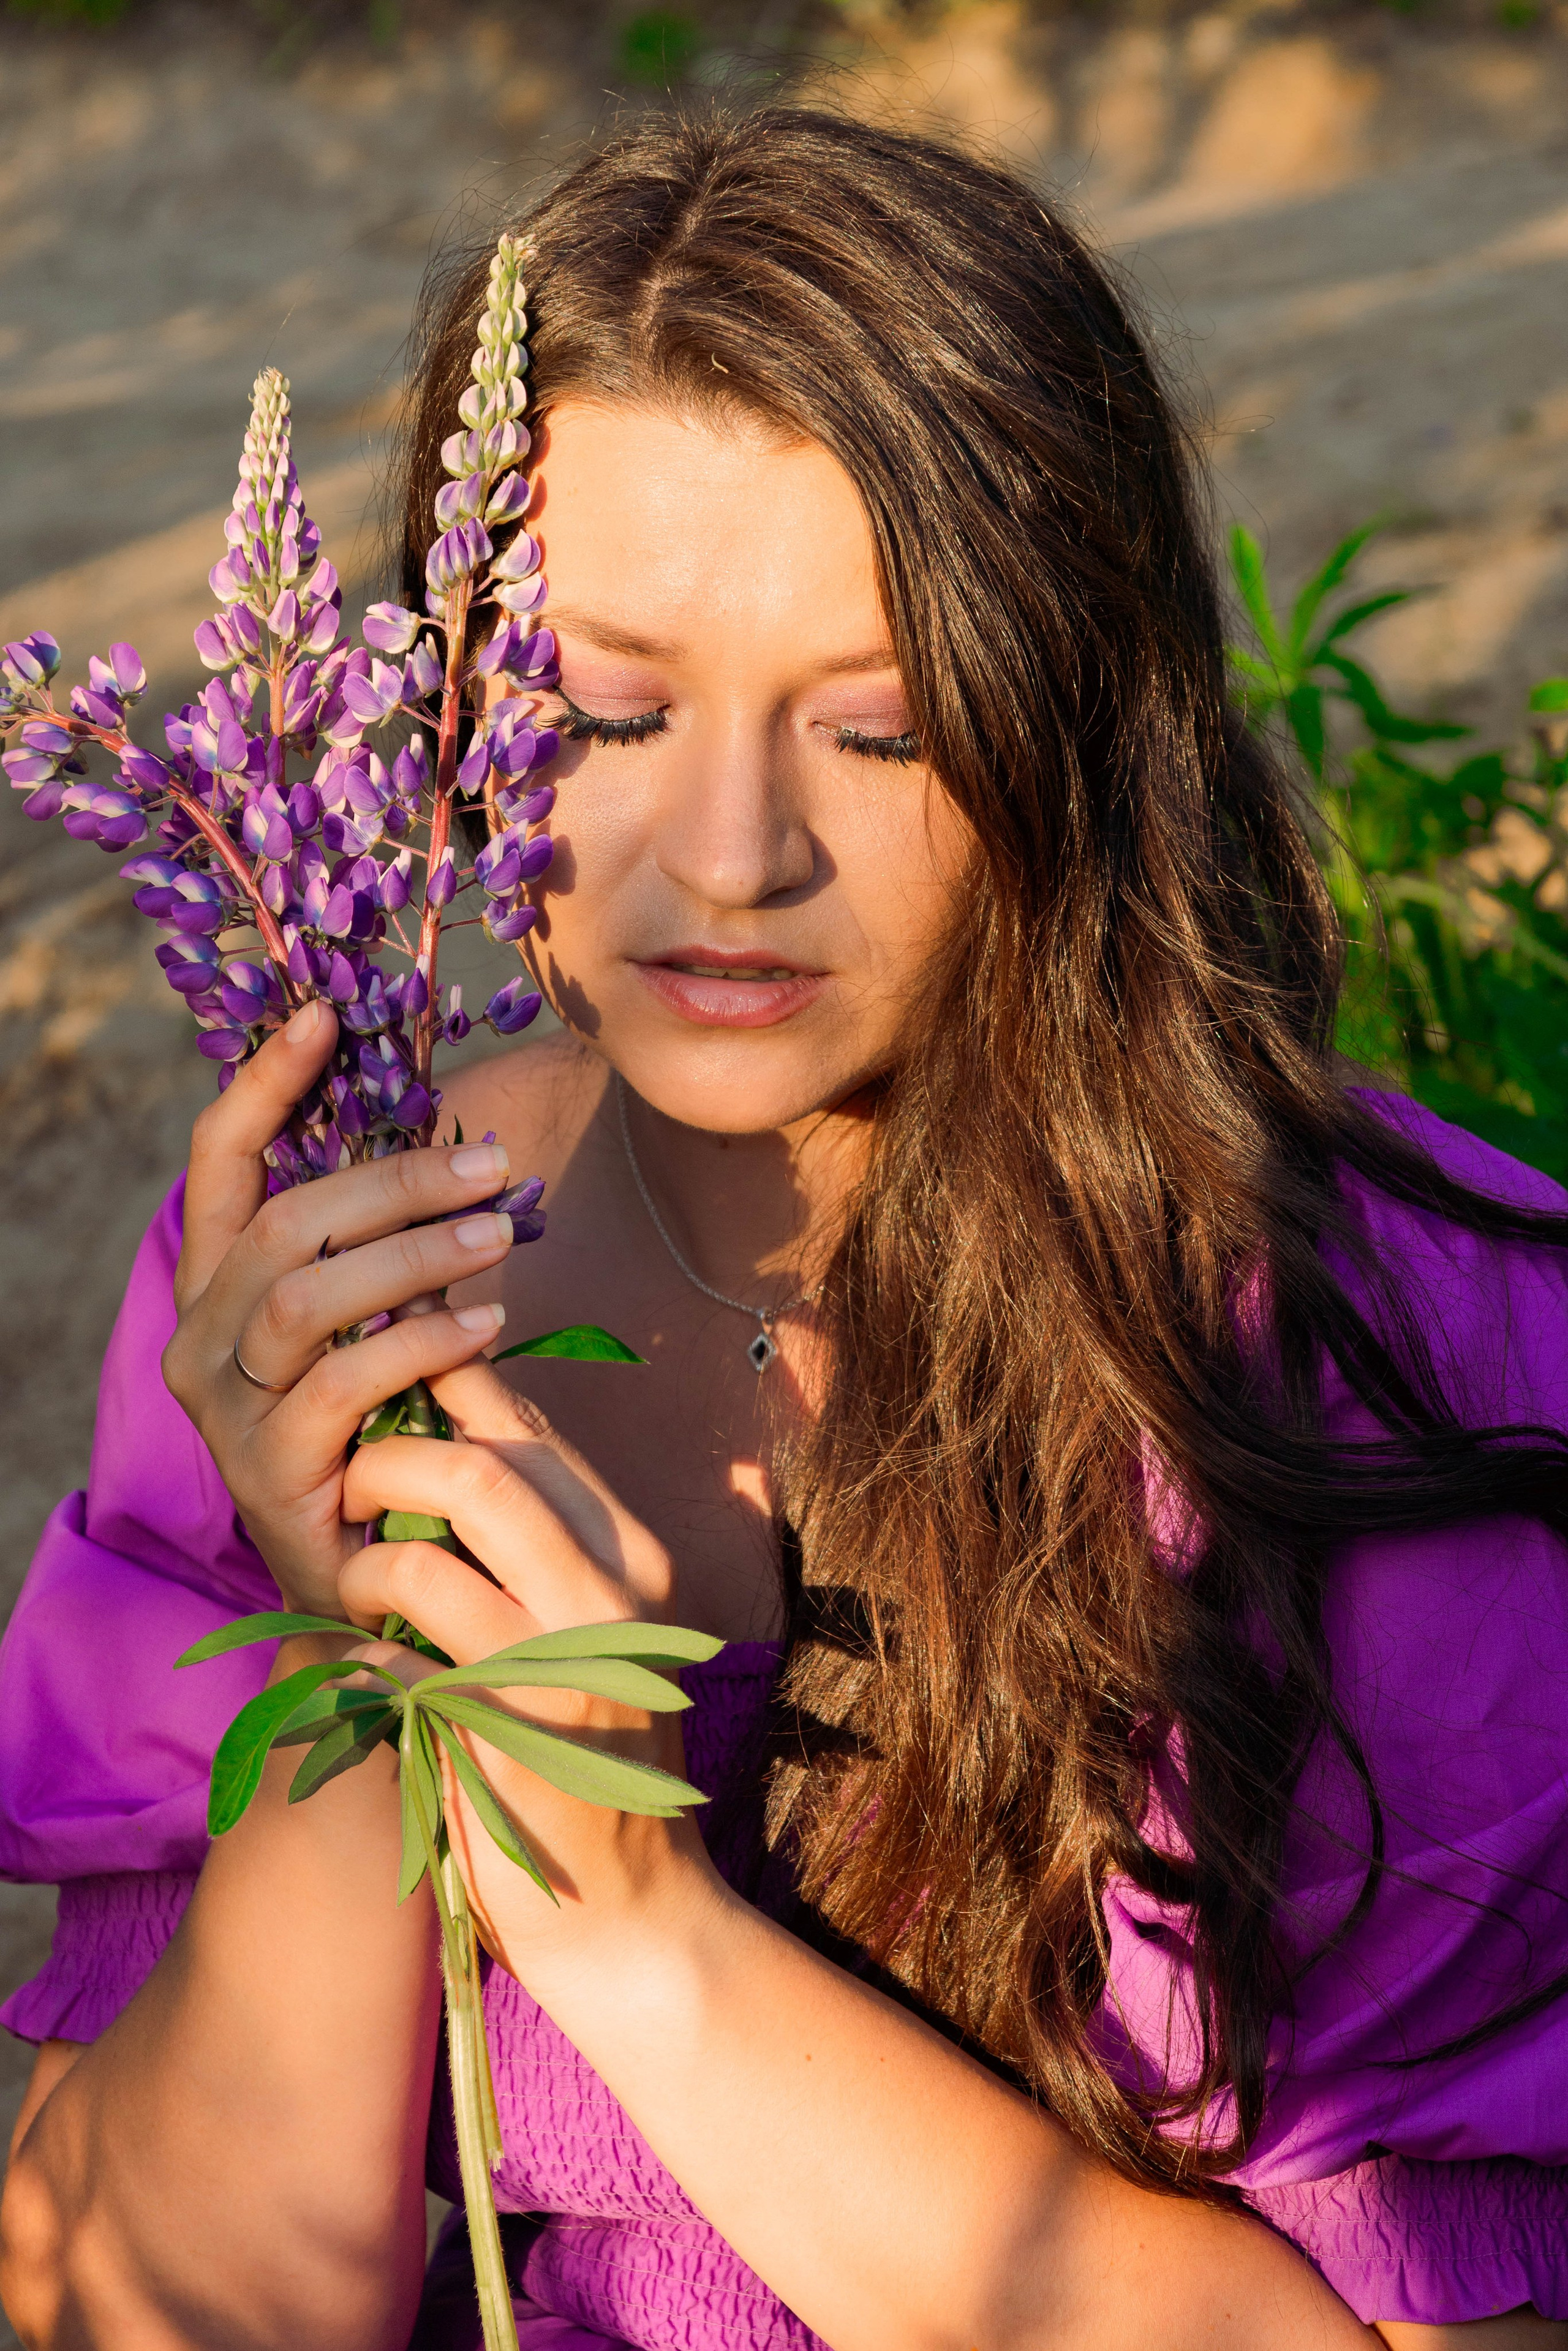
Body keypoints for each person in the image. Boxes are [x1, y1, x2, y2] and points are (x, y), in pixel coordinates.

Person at [1, 104, 1566, 2351]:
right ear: (436, 724)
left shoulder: (1392, 1354)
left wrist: (644, 1932)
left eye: (885, 731)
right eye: (606, 710)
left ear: (1075, 718)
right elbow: (140, 2307)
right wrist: (364, 1668)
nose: (731, 855)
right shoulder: (326, 1277)